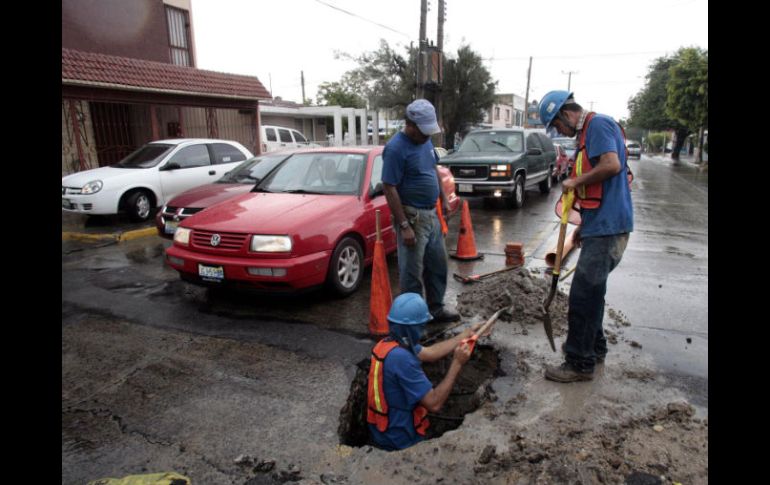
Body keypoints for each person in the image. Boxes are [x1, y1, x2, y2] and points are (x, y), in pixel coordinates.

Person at [538, 91, 634, 383]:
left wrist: (574, 181)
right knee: (592, 293)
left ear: (567, 114)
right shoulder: (587, 135)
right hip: (600, 225)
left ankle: (579, 363)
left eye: (557, 126)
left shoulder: (598, 125)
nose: (559, 133)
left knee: (582, 296)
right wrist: (584, 226)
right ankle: (594, 346)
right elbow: (600, 187)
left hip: (609, 227)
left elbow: (611, 165)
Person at [366, 293, 481, 451]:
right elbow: (434, 404)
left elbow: (430, 353)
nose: (423, 330)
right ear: (412, 328)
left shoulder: (389, 343)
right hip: (399, 437)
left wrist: (464, 335)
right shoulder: (402, 359)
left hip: (380, 429)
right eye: (421, 326)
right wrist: (457, 363)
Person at [382, 99, 459, 323]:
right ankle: (413, 320)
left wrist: (443, 198)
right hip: (412, 218)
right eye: (424, 131)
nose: (428, 136)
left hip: (431, 215)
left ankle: (436, 309)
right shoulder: (395, 148)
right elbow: (389, 187)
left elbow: (432, 168)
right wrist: (404, 225)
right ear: (411, 125)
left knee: (437, 266)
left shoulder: (425, 142)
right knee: (411, 274)